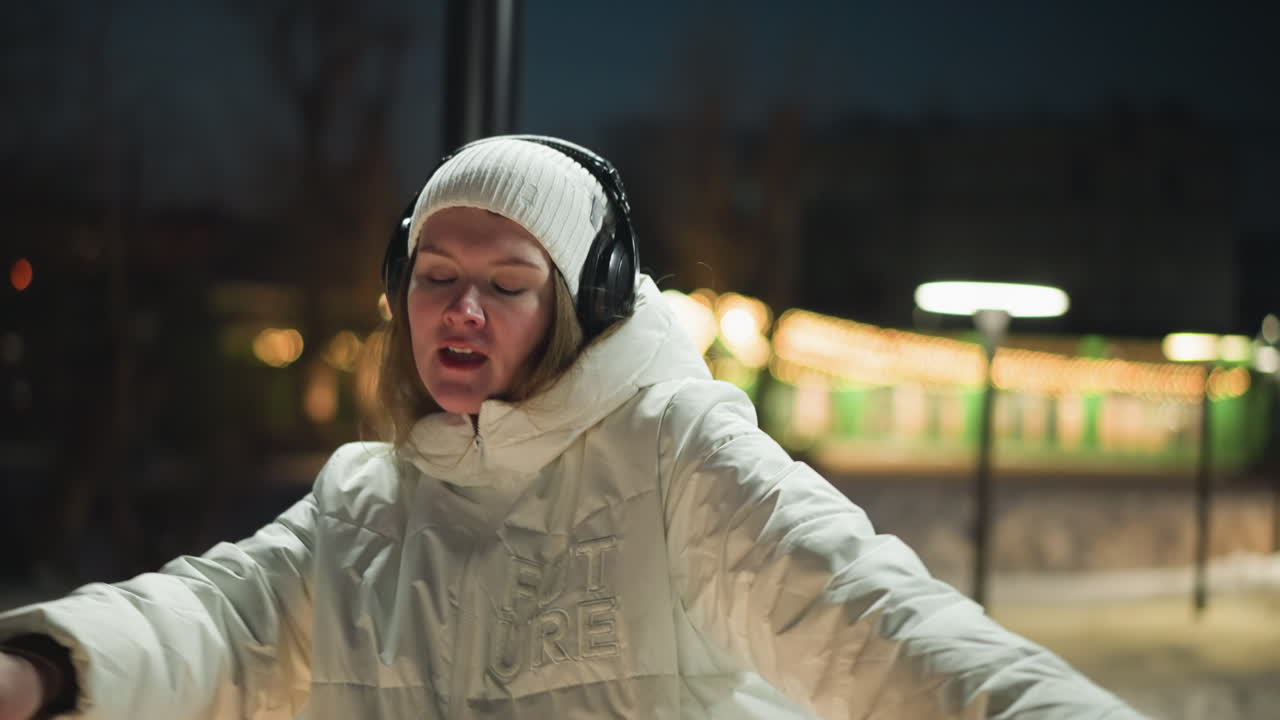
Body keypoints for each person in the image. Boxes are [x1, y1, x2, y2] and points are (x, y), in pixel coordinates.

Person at [0, 135, 1145, 719]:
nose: (459, 309)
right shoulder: (366, 499)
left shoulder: (673, 452)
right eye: (437, 275)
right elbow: (219, 618)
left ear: (583, 301)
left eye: (506, 282)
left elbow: (868, 616)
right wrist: (46, 668)